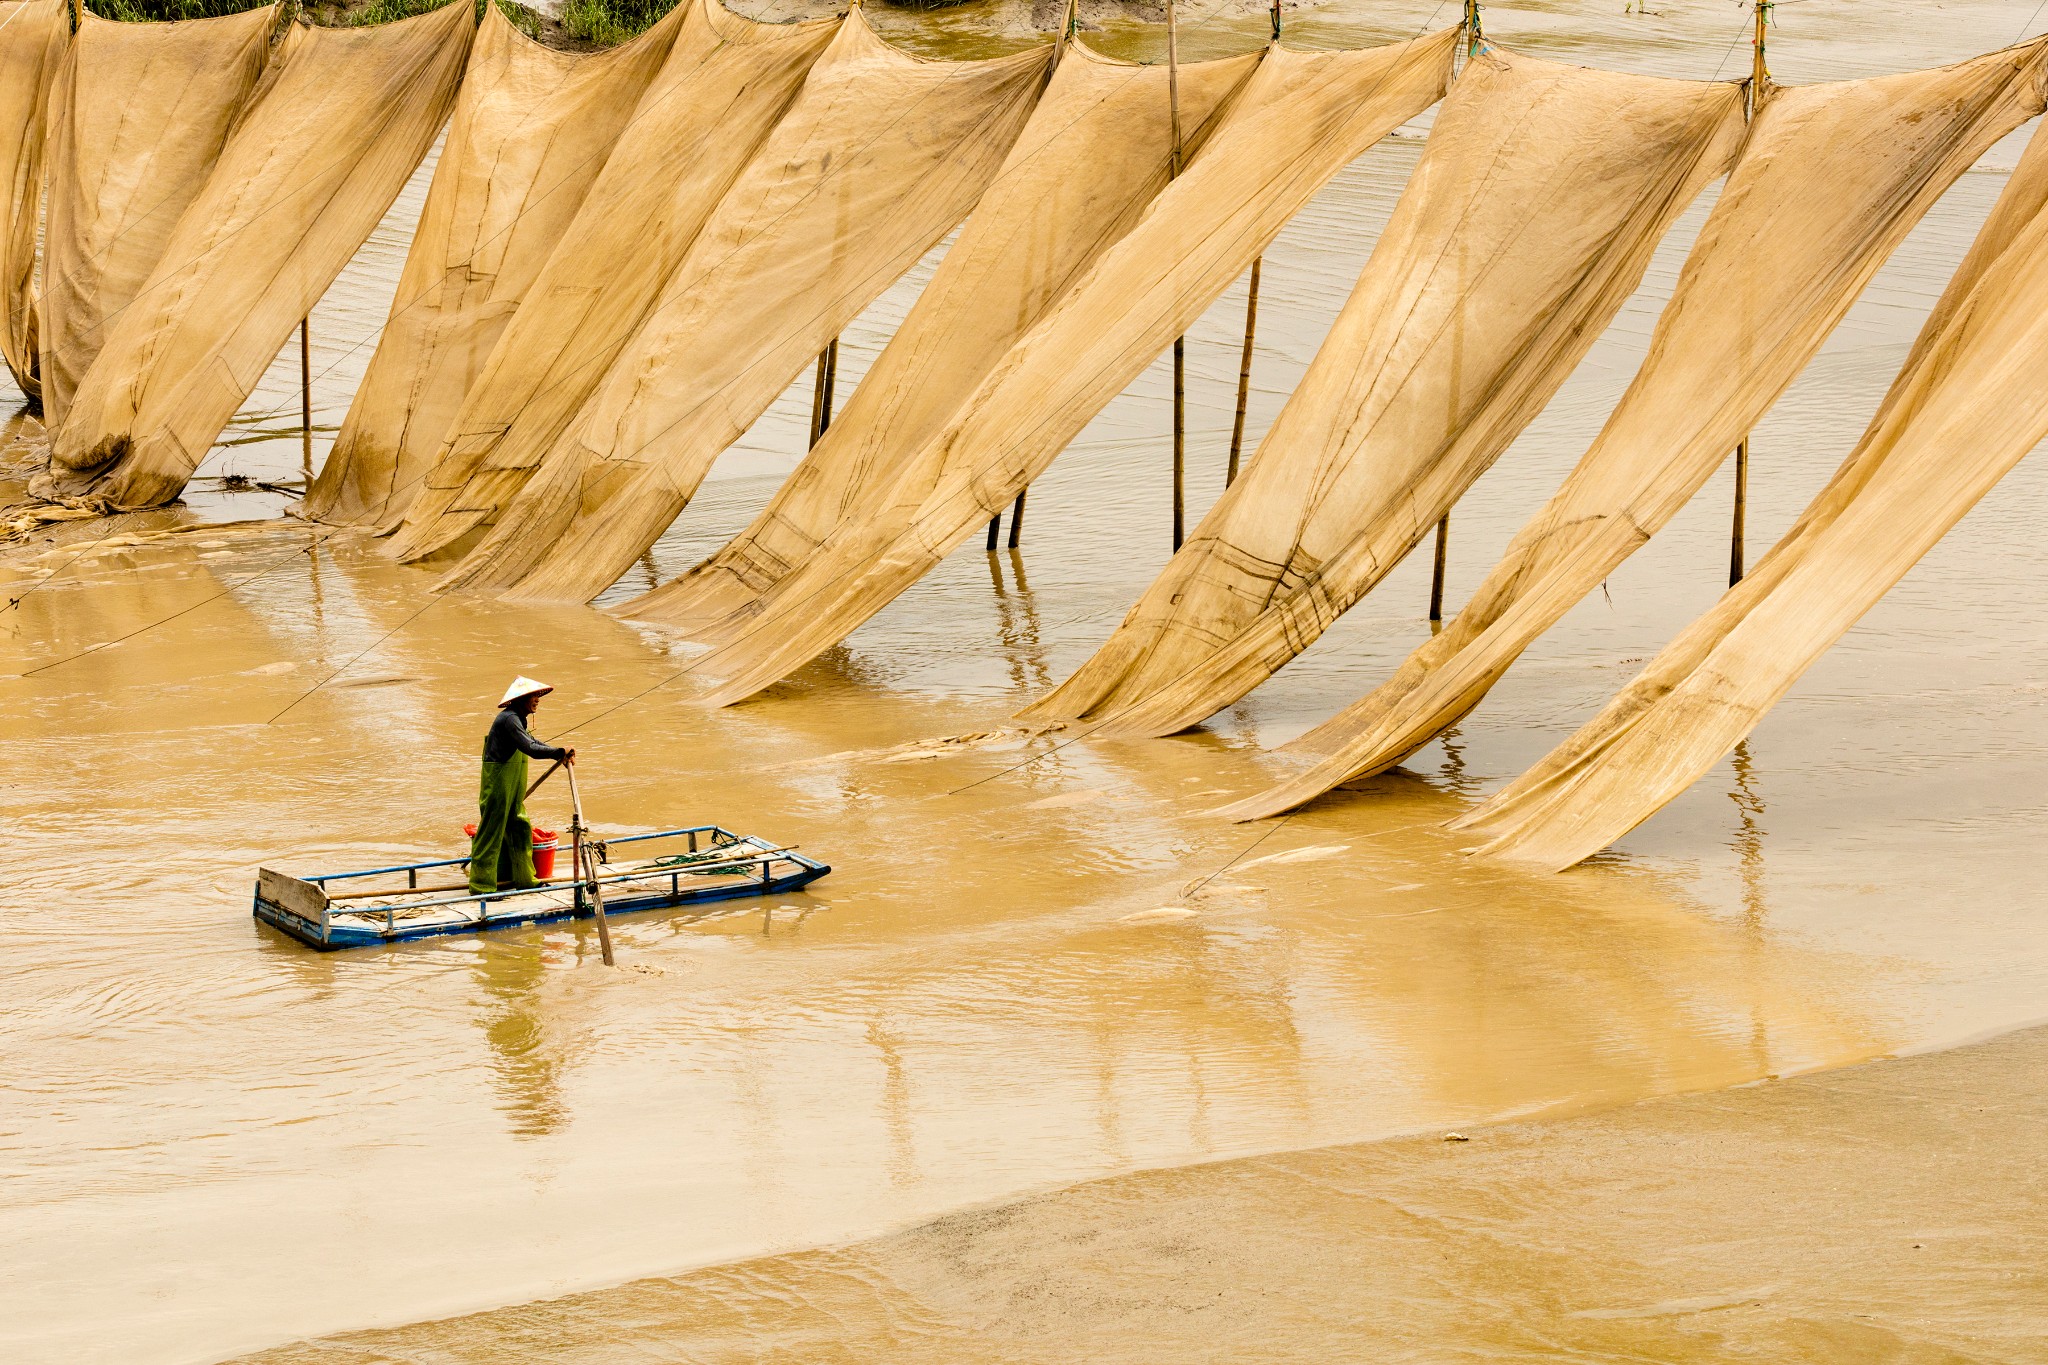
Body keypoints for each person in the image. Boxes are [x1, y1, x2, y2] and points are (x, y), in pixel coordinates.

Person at [468, 677, 575, 896]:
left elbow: (535, 743)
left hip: (513, 783)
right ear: (521, 699)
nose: (537, 700)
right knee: (491, 831)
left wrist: (559, 753)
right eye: (533, 696)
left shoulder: (518, 719)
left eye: (537, 696)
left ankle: (526, 880)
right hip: (498, 782)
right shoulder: (509, 719)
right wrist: (557, 752)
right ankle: (481, 887)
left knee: (519, 826)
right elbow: (530, 748)